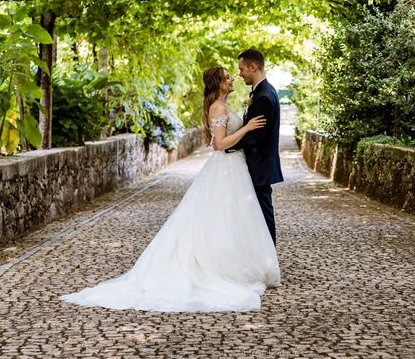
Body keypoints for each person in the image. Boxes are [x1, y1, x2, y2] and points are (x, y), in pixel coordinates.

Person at [60, 67, 281, 313]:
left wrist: (244, 128)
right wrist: (247, 128)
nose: (233, 79)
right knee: (221, 217)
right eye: (228, 77)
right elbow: (219, 144)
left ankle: (238, 264)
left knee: (233, 219)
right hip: (225, 166)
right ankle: (218, 269)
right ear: (219, 83)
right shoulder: (217, 108)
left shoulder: (224, 105)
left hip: (235, 167)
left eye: (233, 75)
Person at [223, 48, 283, 246]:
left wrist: (228, 145)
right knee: (257, 215)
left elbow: (257, 136)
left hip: (260, 166)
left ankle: (268, 260)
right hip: (259, 165)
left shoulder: (264, 96)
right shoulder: (262, 92)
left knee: (264, 215)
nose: (239, 74)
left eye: (241, 69)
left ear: (253, 67)